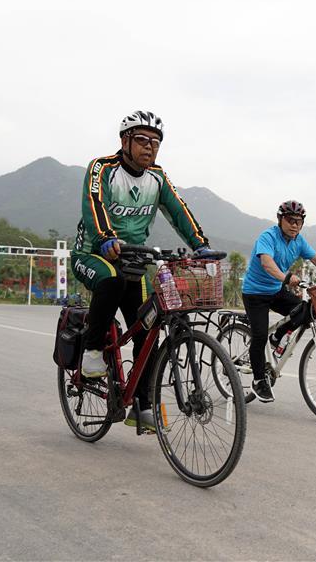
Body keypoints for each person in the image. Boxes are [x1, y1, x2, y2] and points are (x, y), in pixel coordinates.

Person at [71, 110, 219, 431]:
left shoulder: (158, 178)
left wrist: (200, 245)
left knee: (147, 330)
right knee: (110, 280)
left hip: (134, 260)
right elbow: (94, 203)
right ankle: (93, 352)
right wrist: (106, 237)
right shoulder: (102, 169)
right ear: (125, 141)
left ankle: (141, 404)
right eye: (141, 140)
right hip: (94, 253)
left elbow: (179, 211)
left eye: (155, 142)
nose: (149, 147)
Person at [241, 200, 316, 402]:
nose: (295, 225)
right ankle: (258, 381)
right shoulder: (268, 237)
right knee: (260, 335)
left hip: (275, 290)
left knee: (306, 310)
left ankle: (277, 336)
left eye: (299, 221)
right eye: (290, 220)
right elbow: (266, 263)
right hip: (255, 293)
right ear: (280, 220)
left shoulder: (298, 241)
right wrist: (286, 278)